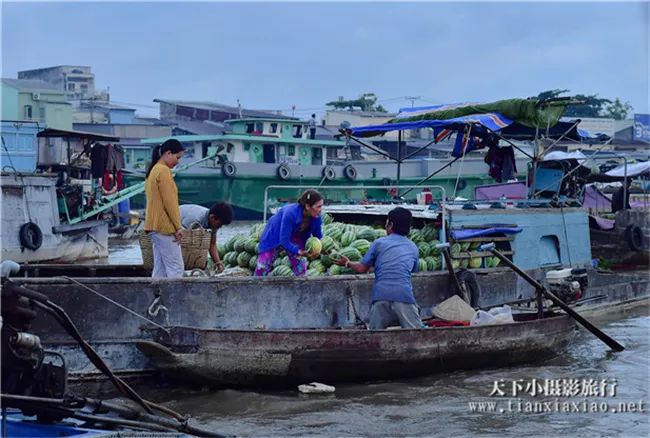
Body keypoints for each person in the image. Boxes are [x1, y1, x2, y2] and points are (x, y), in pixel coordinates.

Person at [333, 207, 421, 329]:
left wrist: (347, 263)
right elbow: (410, 269)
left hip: (381, 296)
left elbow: (362, 268)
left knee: (375, 335)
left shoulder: (379, 243)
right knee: (415, 333)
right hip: (404, 296)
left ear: (390, 225)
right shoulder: (413, 248)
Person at [255, 190, 324, 276]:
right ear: (307, 206)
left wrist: (324, 250)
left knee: (301, 269)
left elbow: (318, 237)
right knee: (263, 267)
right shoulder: (290, 213)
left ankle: (300, 287)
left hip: (296, 236)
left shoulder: (317, 218)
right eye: (318, 206)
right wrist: (298, 251)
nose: (321, 210)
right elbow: (284, 241)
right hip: (274, 235)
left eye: (322, 206)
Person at [144, 139, 185, 278]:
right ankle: (174, 299)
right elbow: (170, 203)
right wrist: (178, 227)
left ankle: (156, 298)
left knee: (160, 269)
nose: (178, 161)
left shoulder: (154, 170)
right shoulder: (163, 171)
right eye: (177, 157)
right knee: (176, 268)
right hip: (164, 227)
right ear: (168, 153)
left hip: (153, 226)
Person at [180, 202, 234, 272]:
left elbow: (212, 244)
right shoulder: (195, 219)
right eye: (220, 224)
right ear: (212, 218)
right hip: (174, 225)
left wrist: (218, 264)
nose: (220, 227)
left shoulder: (214, 223)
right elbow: (182, 239)